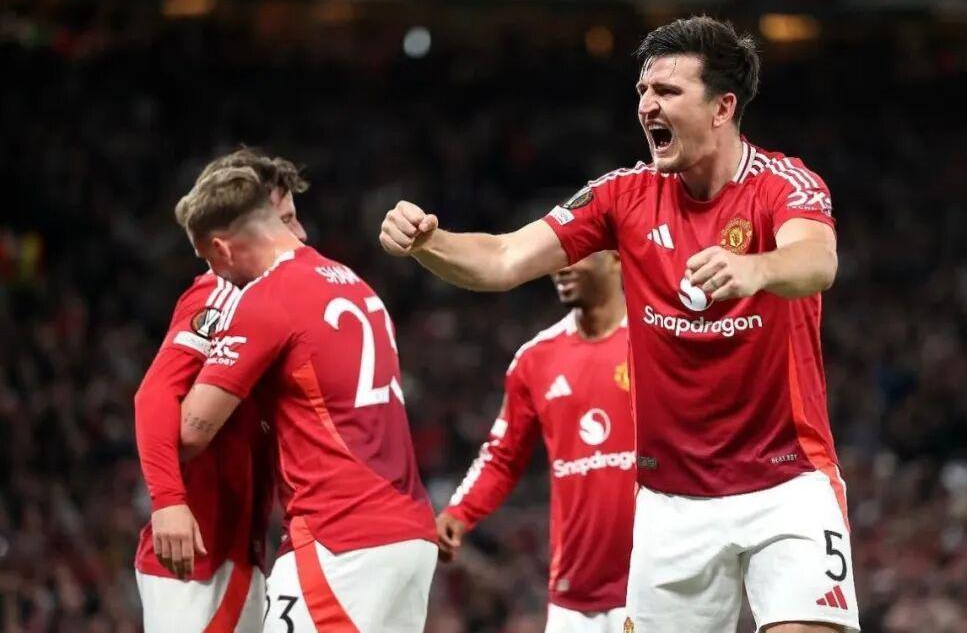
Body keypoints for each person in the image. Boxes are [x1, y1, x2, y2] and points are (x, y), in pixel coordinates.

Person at [380, 16, 858, 633]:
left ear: (723, 108)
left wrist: (756, 268)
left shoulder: (782, 184)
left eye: (668, 91)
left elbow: (817, 260)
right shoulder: (621, 195)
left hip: (786, 483)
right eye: (643, 91)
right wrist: (429, 242)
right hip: (671, 503)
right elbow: (503, 258)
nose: (647, 105)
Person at [174, 165, 437, 632]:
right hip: (410, 536)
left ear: (220, 248)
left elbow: (191, 433)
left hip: (340, 537)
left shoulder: (267, 298)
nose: (214, 275)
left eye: (207, 260)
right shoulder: (355, 284)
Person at [133, 148, 309, 632]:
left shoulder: (268, 300)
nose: (300, 235)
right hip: (198, 557)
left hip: (239, 551)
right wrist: (168, 502)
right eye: (286, 220)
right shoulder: (220, 294)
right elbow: (153, 395)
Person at [439, 251, 635, 633]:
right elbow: (502, 456)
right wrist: (459, 513)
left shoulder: (657, 341)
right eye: (557, 255)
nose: (561, 266)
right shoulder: (535, 360)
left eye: (577, 253)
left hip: (658, 581)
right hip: (575, 594)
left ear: (616, 257)